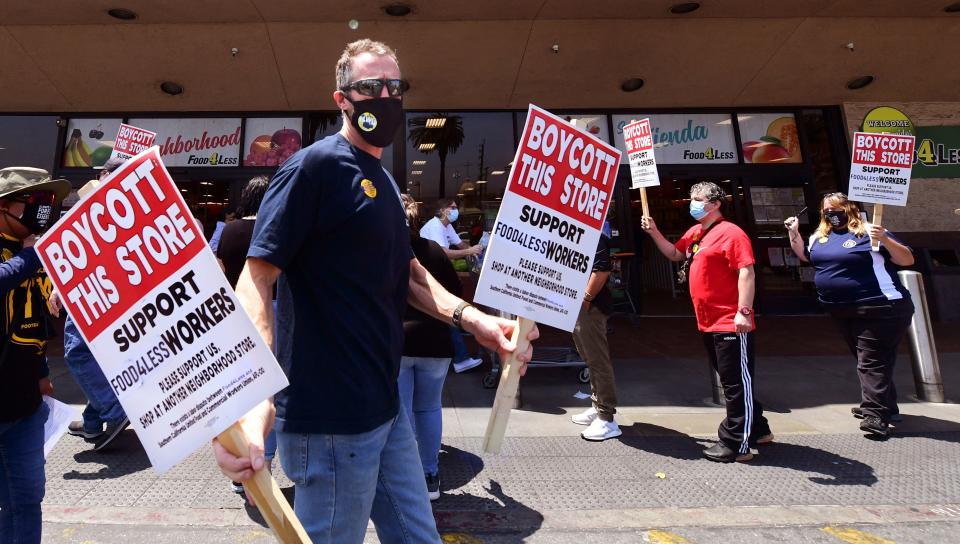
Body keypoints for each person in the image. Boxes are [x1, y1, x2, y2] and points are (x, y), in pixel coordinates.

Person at [212, 39, 538, 544]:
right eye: (369, 86)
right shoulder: (312, 168)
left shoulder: (383, 182)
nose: (384, 96)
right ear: (341, 98)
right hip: (331, 418)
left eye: (394, 86)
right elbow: (256, 277)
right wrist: (254, 394)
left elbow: (407, 274)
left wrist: (479, 323)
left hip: (385, 407)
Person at [642, 181, 772, 462]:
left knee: (736, 383)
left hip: (729, 321)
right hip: (708, 321)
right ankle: (758, 428)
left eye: (698, 199)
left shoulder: (731, 233)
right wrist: (654, 232)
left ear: (715, 204)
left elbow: (746, 272)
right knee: (733, 381)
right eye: (691, 198)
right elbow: (675, 254)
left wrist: (744, 311)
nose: (692, 203)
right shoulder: (697, 232)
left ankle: (736, 443)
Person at [785, 193, 915, 438]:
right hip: (842, 309)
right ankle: (887, 405)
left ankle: (875, 415)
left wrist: (885, 238)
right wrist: (794, 233)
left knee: (871, 360)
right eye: (826, 209)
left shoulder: (869, 231)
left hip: (879, 307)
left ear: (848, 208)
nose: (831, 212)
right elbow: (806, 257)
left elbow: (906, 259)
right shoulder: (820, 236)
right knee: (871, 358)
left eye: (836, 208)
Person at [0, 166, 70, 544]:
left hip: (26, 407)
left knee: (26, 500)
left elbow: (34, 324)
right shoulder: (29, 255)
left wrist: (43, 373)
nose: (38, 210)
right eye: (30, 201)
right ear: (4, 207)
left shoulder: (38, 254)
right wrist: (30, 259)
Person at [62, 156, 130, 451]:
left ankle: (114, 411)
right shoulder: (117, 204)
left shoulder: (98, 203)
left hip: (91, 290)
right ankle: (92, 421)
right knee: (99, 358)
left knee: (77, 353)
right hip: (105, 290)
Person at [215, 175, 277, 496]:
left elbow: (220, 269)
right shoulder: (274, 229)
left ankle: (245, 456)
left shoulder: (230, 230)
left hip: (237, 310)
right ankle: (264, 458)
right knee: (271, 384)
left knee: (245, 385)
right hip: (272, 309)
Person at [398, 194, 459, 500]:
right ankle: (430, 473)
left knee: (404, 411)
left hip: (398, 344)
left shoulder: (385, 251)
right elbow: (455, 293)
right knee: (430, 407)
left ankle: (407, 476)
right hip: (436, 341)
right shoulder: (435, 250)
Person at [419, 199, 484, 373]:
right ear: (443, 210)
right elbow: (443, 253)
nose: (456, 211)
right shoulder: (435, 227)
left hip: (436, 275)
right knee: (448, 313)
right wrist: (469, 252)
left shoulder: (447, 227)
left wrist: (476, 250)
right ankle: (460, 358)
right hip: (430, 276)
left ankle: (457, 356)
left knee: (445, 314)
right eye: (452, 208)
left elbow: (460, 244)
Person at [569, 232, 620, 441]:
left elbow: (601, 270)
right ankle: (597, 405)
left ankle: (607, 417)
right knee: (589, 358)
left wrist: (586, 299)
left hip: (590, 307)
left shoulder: (593, 235)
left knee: (597, 360)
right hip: (579, 305)